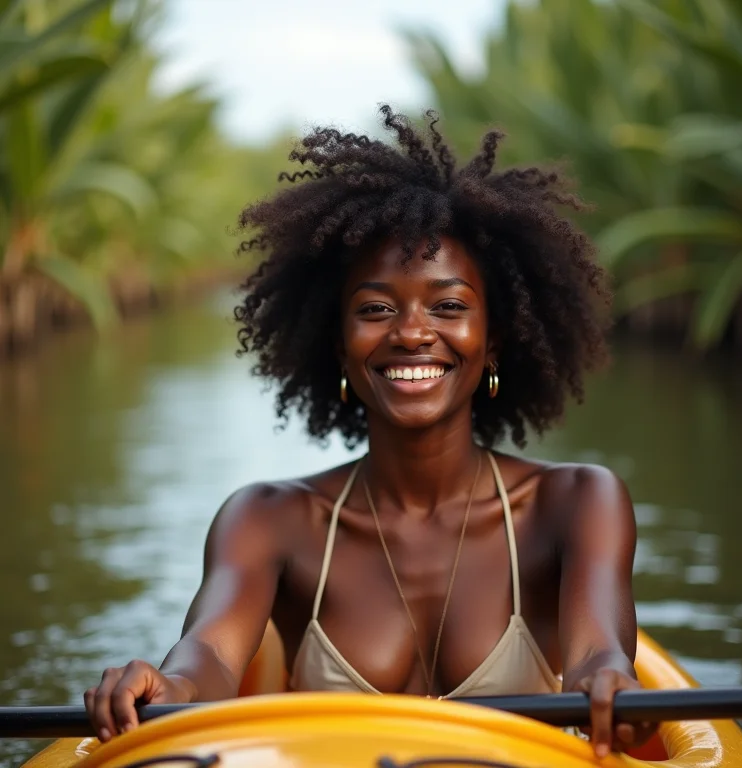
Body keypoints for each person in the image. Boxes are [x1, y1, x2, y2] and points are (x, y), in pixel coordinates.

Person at [84, 106, 655, 759]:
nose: (411, 332)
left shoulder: (578, 503)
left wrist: (611, 681)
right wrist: (172, 683)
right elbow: (210, 655)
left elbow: (596, 654)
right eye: (377, 309)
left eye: (448, 306)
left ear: (493, 341)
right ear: (339, 344)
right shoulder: (268, 518)